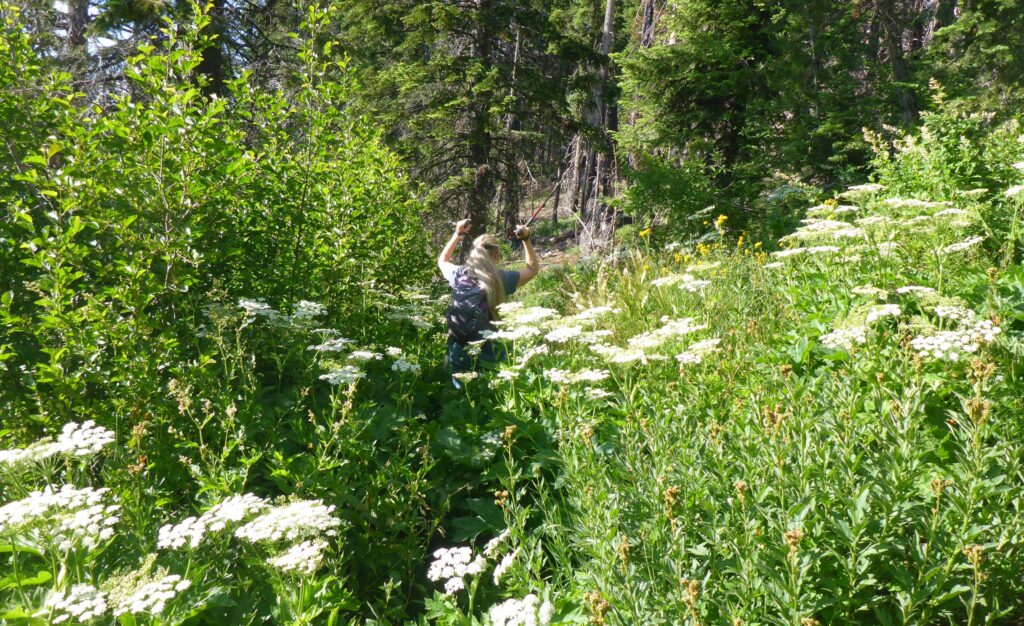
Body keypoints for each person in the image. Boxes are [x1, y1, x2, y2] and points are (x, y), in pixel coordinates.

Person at [438, 219, 540, 374]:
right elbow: (532, 270)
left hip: (458, 349)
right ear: (496, 254)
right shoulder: (501, 279)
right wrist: (526, 239)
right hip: (490, 351)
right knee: (493, 387)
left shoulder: (458, 274)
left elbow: (442, 261)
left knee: (461, 388)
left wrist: (458, 233)